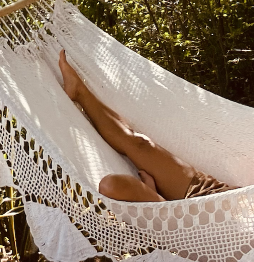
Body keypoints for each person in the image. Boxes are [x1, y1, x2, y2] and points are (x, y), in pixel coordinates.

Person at [58, 50, 233, 202]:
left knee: (111, 186)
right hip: (210, 192)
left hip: (193, 219)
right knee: (141, 144)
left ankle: (158, 206)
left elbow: (111, 186)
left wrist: (155, 200)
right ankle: (79, 91)